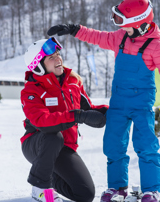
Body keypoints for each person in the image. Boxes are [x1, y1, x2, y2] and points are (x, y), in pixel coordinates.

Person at [47, 0, 160, 202]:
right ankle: (117, 187)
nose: (123, 30)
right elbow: (97, 36)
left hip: (141, 105)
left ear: (140, 25)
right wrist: (75, 29)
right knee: (113, 145)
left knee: (146, 146)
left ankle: (151, 189)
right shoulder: (121, 37)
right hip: (119, 103)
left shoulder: (156, 45)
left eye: (126, 26)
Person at [20, 37, 109, 202]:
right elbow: (42, 121)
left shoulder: (73, 82)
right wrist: (78, 116)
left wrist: (112, 112)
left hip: (65, 147)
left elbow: (88, 108)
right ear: (38, 66)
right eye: (51, 57)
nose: (58, 59)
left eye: (58, 54)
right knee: (54, 135)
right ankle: (41, 188)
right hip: (37, 144)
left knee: (85, 194)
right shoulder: (31, 90)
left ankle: (50, 177)